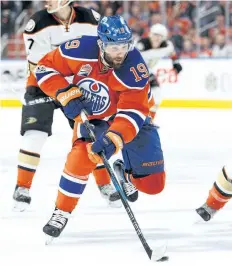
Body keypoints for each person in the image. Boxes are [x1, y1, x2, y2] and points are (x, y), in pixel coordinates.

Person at [34, 15, 166, 239]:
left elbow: (133, 111)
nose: (120, 53)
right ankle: (61, 211)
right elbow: (44, 68)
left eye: (124, 46)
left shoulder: (135, 67)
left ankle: (124, 171)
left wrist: (114, 138)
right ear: (101, 43)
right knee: (81, 156)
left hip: (134, 118)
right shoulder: (79, 49)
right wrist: (63, 93)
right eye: (114, 47)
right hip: (95, 117)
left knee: (153, 185)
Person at [13, 0, 121, 211]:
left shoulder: (91, 19)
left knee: (91, 134)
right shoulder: (36, 24)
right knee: (35, 135)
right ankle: (22, 187)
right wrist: (63, 92)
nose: (47, 1)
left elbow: (102, 52)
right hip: (43, 83)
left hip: (78, 85)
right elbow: (41, 68)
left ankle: (105, 184)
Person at [136, 23, 183, 118]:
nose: (157, 38)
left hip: (147, 71)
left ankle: (150, 122)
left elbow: (172, 52)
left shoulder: (166, 46)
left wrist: (176, 63)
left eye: (160, 36)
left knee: (156, 95)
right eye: (155, 35)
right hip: (133, 71)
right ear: (150, 35)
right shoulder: (141, 45)